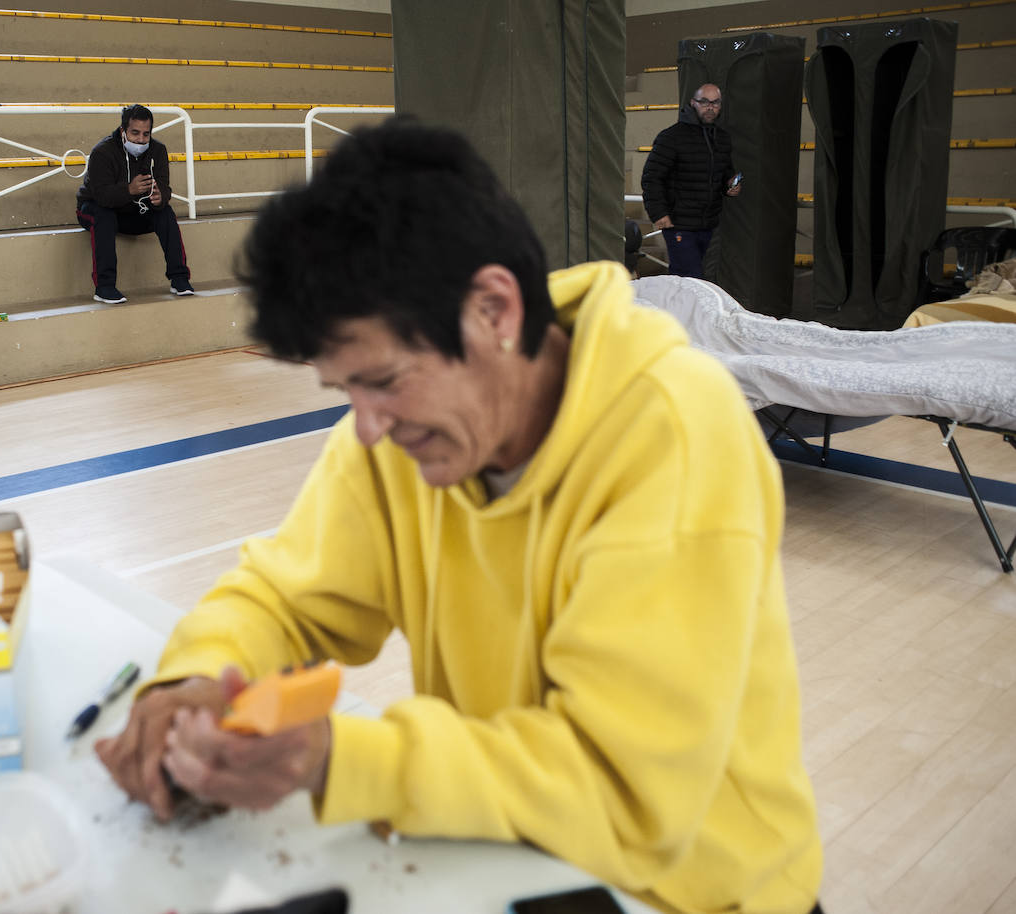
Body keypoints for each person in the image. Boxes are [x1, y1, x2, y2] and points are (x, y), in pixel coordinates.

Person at [96, 119, 823, 914]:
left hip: (689, 891)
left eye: (384, 380)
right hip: (510, 847)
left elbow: (627, 794)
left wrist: (343, 760)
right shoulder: (399, 437)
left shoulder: (673, 432)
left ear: (494, 310)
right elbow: (284, 596)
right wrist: (196, 678)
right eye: (345, 393)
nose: (365, 428)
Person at [76, 104, 194, 304]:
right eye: (135, 133)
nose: (140, 140)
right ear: (123, 131)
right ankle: (104, 287)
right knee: (103, 215)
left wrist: (160, 198)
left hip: (132, 212)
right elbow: (101, 195)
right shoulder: (102, 152)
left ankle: (179, 278)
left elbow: (165, 187)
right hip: (94, 207)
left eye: (146, 134)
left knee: (165, 212)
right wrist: (128, 190)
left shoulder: (158, 150)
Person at [640, 83, 742, 279]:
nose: (710, 107)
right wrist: (659, 214)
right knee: (690, 278)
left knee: (685, 279)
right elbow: (651, 177)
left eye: (715, 102)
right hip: (678, 224)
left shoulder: (722, 138)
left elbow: (723, 173)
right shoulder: (671, 137)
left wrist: (729, 186)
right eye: (704, 102)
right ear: (693, 103)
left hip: (707, 223)